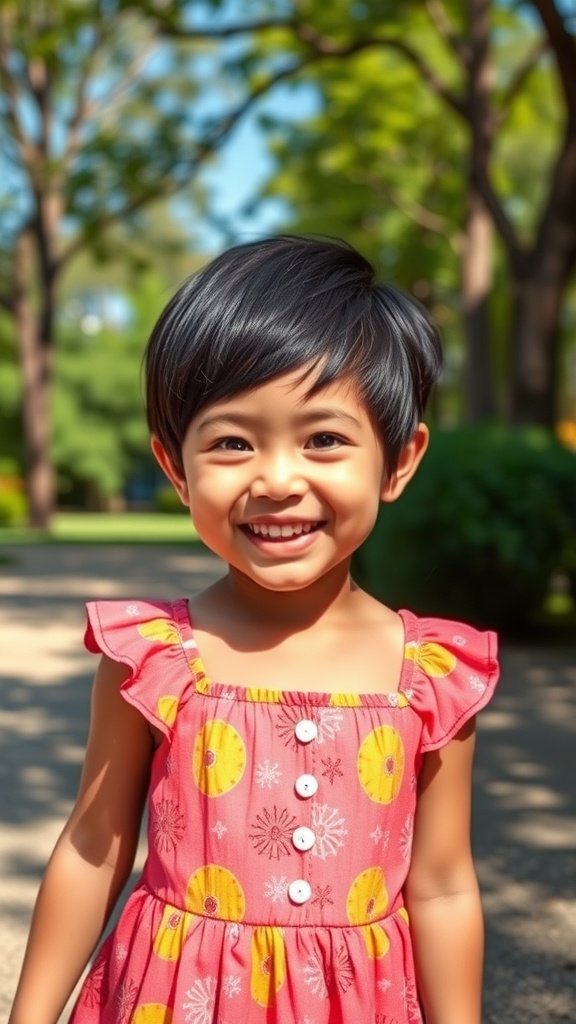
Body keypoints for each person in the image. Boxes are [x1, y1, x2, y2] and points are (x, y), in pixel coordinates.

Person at [10, 236, 499, 1024]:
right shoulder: (153, 657)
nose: (276, 479)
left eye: (325, 440)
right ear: (176, 467)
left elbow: (442, 885)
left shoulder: (433, 676)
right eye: (233, 442)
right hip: (170, 1001)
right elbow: (94, 845)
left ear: (399, 462)